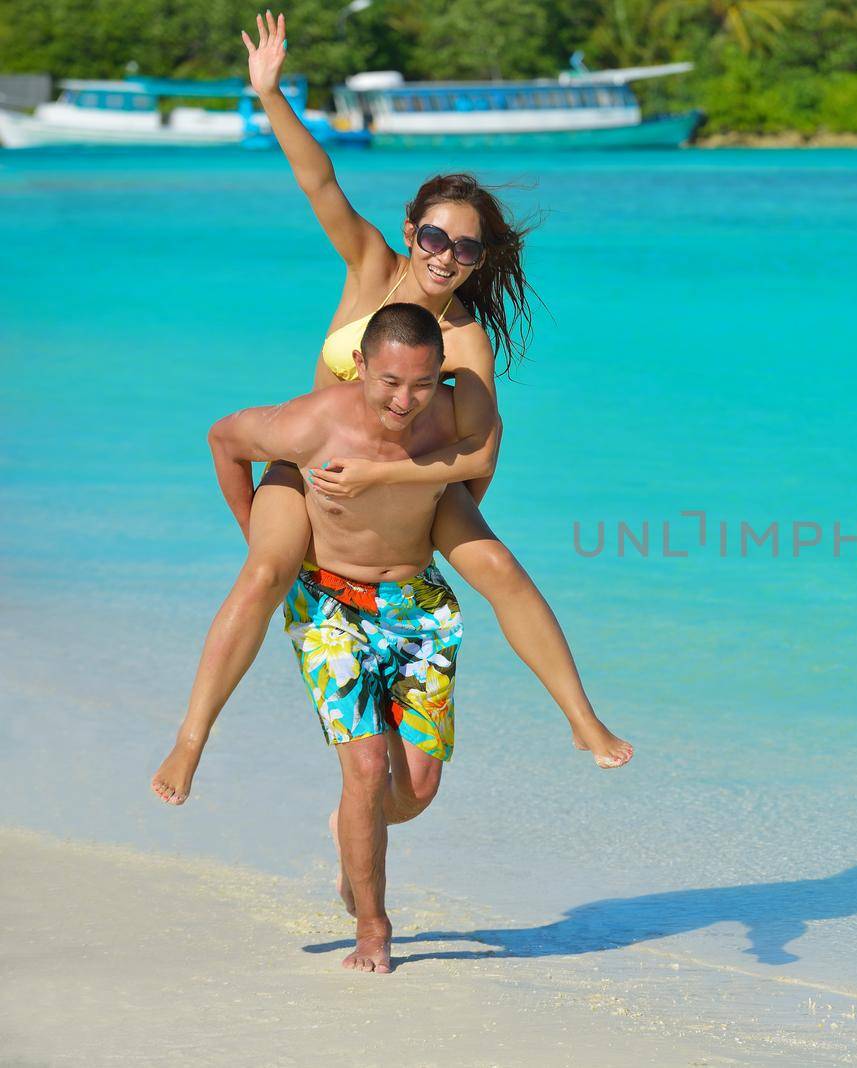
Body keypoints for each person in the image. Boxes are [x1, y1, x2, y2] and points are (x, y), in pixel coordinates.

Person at [151, 10, 630, 812]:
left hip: (409, 478)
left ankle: (581, 719)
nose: (447, 257)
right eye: (437, 238)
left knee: (502, 569)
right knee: (267, 569)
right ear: (414, 232)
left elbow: (479, 458)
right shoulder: (371, 265)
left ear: (481, 263)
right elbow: (319, 180)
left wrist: (408, 501)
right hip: (311, 468)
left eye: (467, 249)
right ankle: (191, 739)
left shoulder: (467, 342)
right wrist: (269, 96)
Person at [212, 303, 478, 971]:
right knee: (363, 771)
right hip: (329, 602)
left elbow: (480, 459)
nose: (404, 398)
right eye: (389, 381)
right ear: (359, 367)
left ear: (440, 375)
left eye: (421, 383)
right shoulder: (311, 422)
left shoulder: (449, 417)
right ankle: (373, 928)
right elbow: (225, 439)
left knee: (414, 791)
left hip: (416, 606)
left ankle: (351, 831)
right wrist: (259, 536)